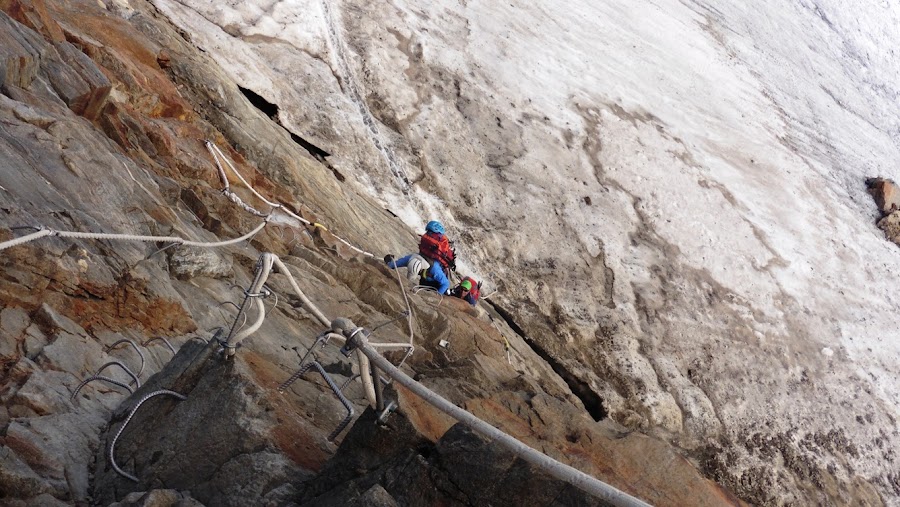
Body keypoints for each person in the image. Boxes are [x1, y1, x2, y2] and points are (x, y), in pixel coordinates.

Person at [384, 253, 451, 295]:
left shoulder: (435, 270)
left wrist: (437, 295)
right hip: (425, 279)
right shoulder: (410, 259)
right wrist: (390, 263)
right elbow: (396, 264)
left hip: (435, 283)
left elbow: (445, 283)